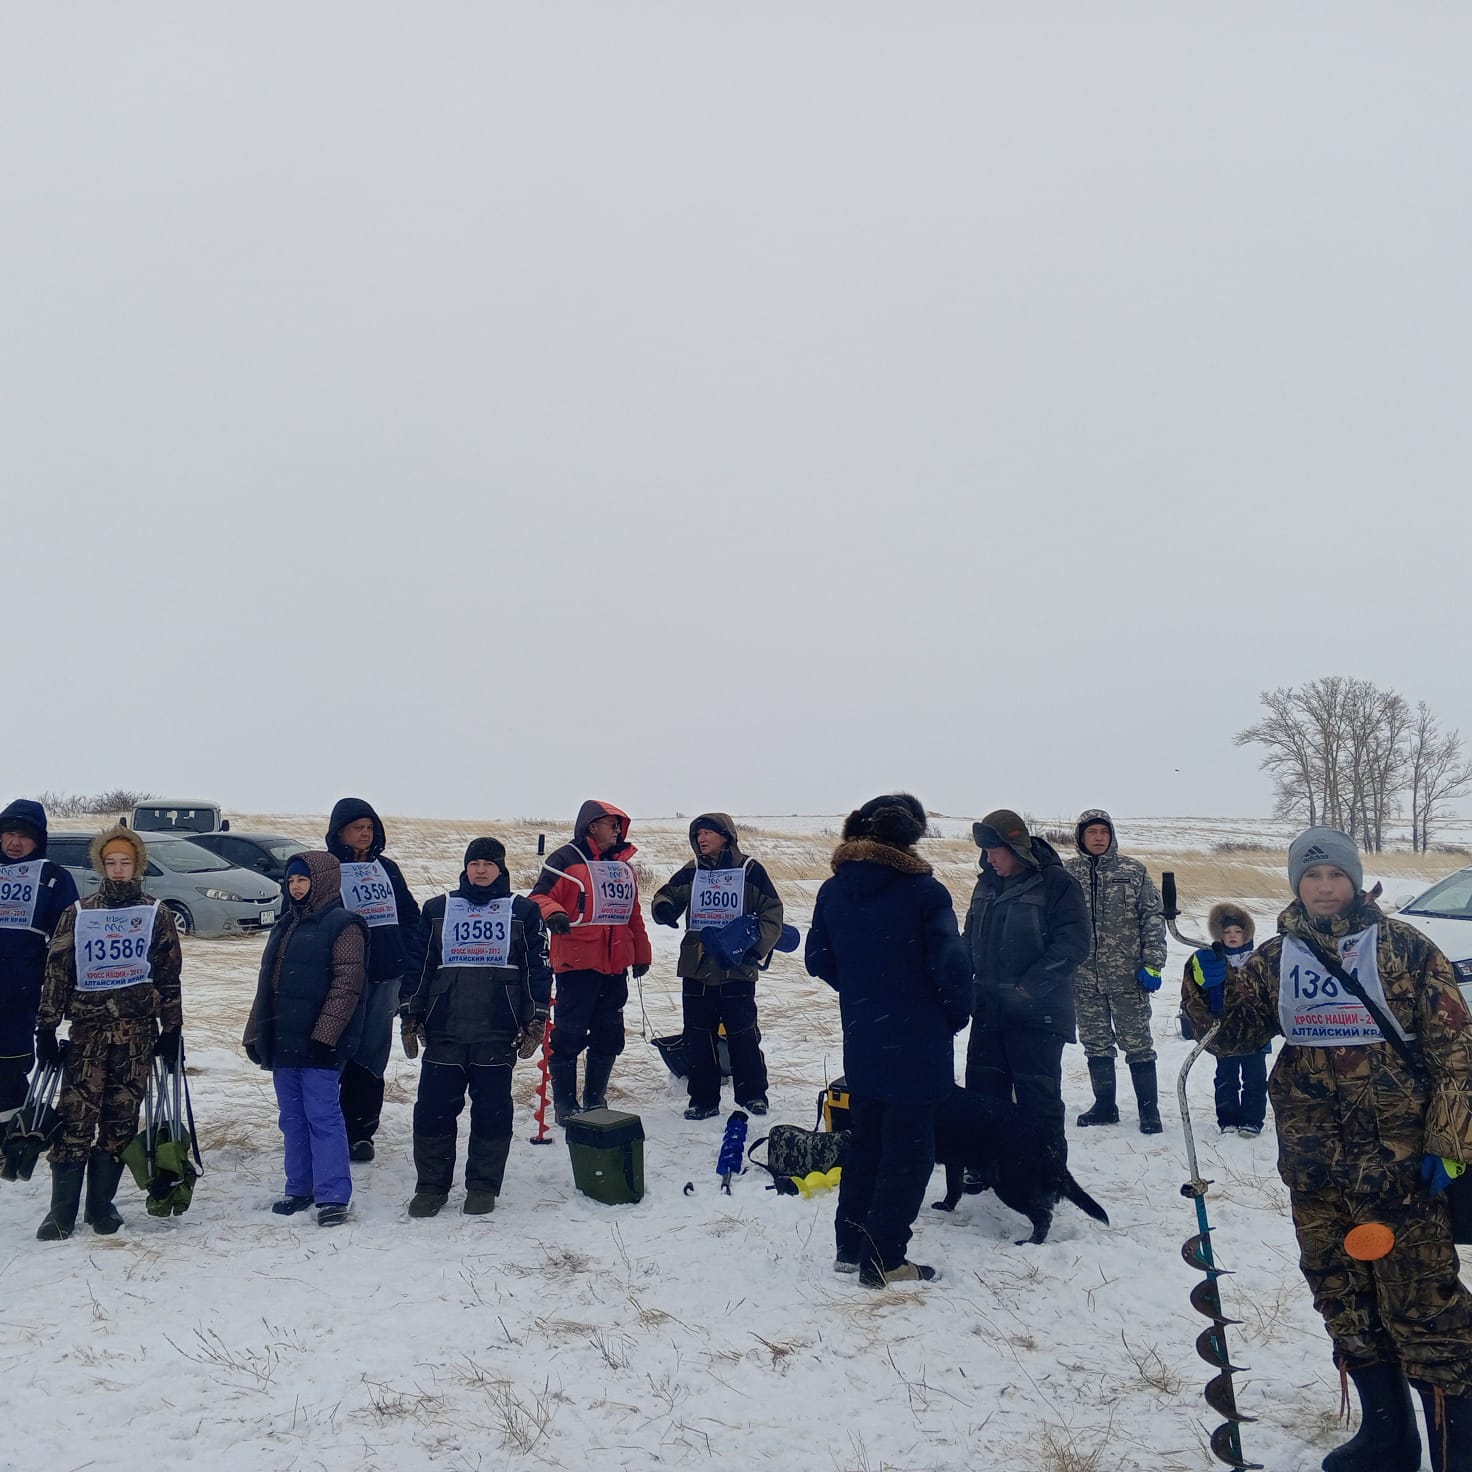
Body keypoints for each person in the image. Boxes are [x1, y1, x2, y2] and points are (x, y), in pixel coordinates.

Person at [1182, 827, 1472, 1471]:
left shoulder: (1405, 948)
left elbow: (1458, 1052)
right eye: (1310, 877)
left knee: (1425, 1307)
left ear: (1354, 878)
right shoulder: (1274, 957)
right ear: (1295, 885)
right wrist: (1205, 989)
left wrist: (1449, 1141)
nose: (1323, 887)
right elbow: (1235, 1040)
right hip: (1316, 1166)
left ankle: (1458, 1452)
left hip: (1402, 1168)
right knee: (1342, 1296)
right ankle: (1388, 1437)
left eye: (1334, 875)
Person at [805, 794, 970, 1288]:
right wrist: (951, 1014)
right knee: (910, 1152)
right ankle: (884, 1258)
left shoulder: (834, 890)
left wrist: (862, 992)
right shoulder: (924, 892)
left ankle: (851, 1246)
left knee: (868, 1142)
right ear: (911, 836)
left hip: (863, 1034)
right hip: (917, 1040)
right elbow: (952, 968)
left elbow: (818, 958)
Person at [33, 825, 182, 1240]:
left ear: (138, 865)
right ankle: (60, 1212)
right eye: (111, 862)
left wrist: (172, 1031)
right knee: (75, 1118)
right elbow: (57, 973)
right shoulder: (78, 913)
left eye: (126, 862)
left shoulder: (157, 913)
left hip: (137, 1037)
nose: (119, 870)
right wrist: (46, 1026)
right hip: (87, 1035)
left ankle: (101, 1206)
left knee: (120, 1120)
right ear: (102, 865)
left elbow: (169, 978)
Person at [401, 837, 551, 1216]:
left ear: (501, 869)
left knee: (492, 1113)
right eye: (474, 863)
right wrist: (411, 1012)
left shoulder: (523, 912)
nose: (480, 870)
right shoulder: (439, 909)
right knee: (433, 1111)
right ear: (465, 868)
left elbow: (537, 968)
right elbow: (420, 964)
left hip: (497, 1032)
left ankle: (483, 1186)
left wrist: (535, 1019)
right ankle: (431, 1188)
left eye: (488, 863)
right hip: (444, 1030)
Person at [243, 852, 367, 1227]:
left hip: (320, 1043)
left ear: (324, 880)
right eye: (291, 881)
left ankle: (332, 1195)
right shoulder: (285, 924)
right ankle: (299, 1187)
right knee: (292, 1118)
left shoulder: (344, 925)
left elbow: (347, 986)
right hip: (284, 1038)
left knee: (323, 1117)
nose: (296, 887)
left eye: (303, 880)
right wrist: (255, 1031)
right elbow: (268, 984)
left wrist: (325, 1035)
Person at [963, 810, 1090, 1160]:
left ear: (1016, 847)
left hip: (1039, 1016)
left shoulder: (1058, 884)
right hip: (989, 1009)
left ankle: (1047, 1173)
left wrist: (1027, 990)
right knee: (984, 1094)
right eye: (985, 851)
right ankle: (984, 1164)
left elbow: (1074, 945)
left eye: (995, 850)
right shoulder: (985, 884)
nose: (989, 858)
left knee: (1038, 1100)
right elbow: (969, 938)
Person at [651, 814, 784, 1120]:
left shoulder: (750, 870)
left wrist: (753, 950)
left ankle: (753, 1094)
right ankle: (703, 1099)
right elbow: (665, 894)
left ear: (727, 836)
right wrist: (664, 907)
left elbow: (772, 912)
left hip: (737, 967)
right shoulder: (692, 870)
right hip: (696, 966)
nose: (702, 838)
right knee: (698, 1036)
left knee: (743, 1033)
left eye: (708, 832)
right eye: (697, 834)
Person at [529, 801, 651, 1124]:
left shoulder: (624, 867)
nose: (617, 830)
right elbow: (537, 897)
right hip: (576, 963)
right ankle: (565, 1104)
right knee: (568, 1034)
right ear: (591, 826)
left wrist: (642, 953)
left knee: (609, 1033)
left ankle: (596, 1098)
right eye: (611, 824)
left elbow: (632, 914)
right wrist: (553, 912)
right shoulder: (564, 859)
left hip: (615, 966)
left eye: (618, 825)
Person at [325, 797, 421, 1162]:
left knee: (371, 1055)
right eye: (357, 828)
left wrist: (411, 957)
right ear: (339, 832)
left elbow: (410, 916)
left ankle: (361, 1131)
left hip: (385, 976)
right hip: (340, 978)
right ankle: (326, 1128)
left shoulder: (388, 868)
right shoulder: (326, 868)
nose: (365, 834)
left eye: (370, 828)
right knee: (333, 1051)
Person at [1064, 809, 1168, 1134]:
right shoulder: (1066, 875)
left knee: (1137, 1044)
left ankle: (1149, 1112)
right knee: (1095, 1043)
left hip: (1128, 977)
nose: (1098, 838)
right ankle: (1105, 1106)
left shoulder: (1132, 872)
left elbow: (1153, 917)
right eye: (1092, 832)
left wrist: (1153, 963)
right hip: (1083, 978)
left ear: (1111, 836)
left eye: (1103, 832)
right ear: (1081, 836)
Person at [0, 799, 78, 1126]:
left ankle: (10, 1132)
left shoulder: (53, 878)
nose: (15, 843)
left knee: (10, 1066)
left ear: (38, 840)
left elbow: (71, 935)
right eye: (9, 834)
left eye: (24, 836)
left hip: (19, 992)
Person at [1184, 903, 1270, 1138]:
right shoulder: (1209, 959)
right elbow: (1196, 991)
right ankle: (1228, 1120)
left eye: (1237, 932)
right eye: (1227, 932)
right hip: (1224, 1031)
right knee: (1226, 1078)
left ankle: (1252, 1121)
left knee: (1255, 1078)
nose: (1232, 936)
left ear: (1247, 933)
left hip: (1256, 1032)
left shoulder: (1259, 960)